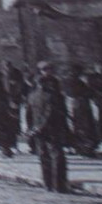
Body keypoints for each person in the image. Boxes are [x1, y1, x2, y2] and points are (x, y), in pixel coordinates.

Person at [26, 65, 70, 193]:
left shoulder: (32, 96)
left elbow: (28, 114)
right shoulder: (53, 96)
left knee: (43, 156)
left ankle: (48, 184)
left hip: (37, 131)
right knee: (57, 156)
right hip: (52, 130)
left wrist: (32, 129)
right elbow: (50, 114)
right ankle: (59, 186)